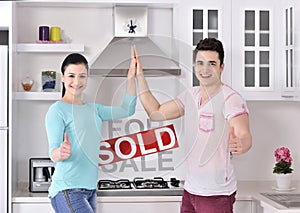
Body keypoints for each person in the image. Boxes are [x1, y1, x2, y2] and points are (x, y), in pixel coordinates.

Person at [134, 38, 252, 213]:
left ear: (221, 67)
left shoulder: (230, 99)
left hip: (216, 195)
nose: (205, 69)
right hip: (190, 191)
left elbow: (244, 134)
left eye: (212, 63)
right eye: (200, 63)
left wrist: (242, 143)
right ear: (195, 66)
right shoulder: (190, 95)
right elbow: (156, 112)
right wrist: (140, 77)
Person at [45, 49, 137, 213]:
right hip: (67, 190)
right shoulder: (57, 110)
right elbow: (53, 151)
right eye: (71, 75)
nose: (77, 81)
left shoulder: (94, 109)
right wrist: (60, 152)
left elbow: (127, 109)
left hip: (89, 190)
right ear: (63, 77)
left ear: (87, 78)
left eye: (82, 76)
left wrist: (131, 77)